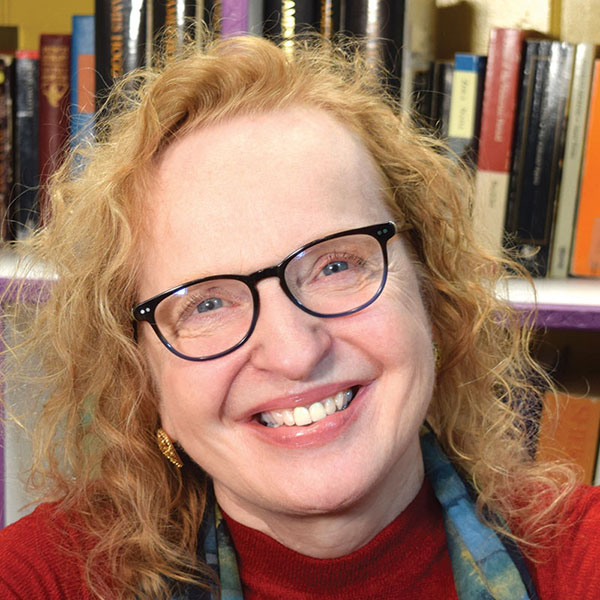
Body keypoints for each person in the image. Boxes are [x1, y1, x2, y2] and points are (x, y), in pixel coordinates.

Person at [0, 33, 599, 600]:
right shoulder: (40, 580)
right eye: (207, 303)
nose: (294, 351)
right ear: (142, 377)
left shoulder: (578, 559)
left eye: (336, 266)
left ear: (431, 291)